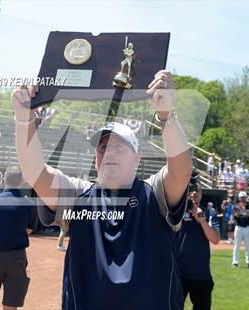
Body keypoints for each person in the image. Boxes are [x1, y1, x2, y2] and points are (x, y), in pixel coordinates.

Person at [12, 70, 192, 309]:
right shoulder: (78, 195)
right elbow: (34, 171)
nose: (108, 152)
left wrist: (167, 116)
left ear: (136, 158)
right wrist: (24, 119)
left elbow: (181, 171)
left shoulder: (154, 192)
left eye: (119, 146)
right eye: (102, 147)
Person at [0, 166, 36, 310]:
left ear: (5, 179)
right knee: (10, 305)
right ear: (22, 181)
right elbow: (29, 230)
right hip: (16, 258)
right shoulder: (29, 204)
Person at [176, 184, 220, 310]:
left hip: (201, 274)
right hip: (179, 274)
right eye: (190, 191)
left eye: (197, 191)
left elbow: (215, 239)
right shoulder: (176, 212)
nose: (193, 194)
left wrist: (202, 220)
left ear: (201, 195)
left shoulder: (209, 212)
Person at [232, 191, 249, 268]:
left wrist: (244, 211)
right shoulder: (236, 207)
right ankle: (235, 262)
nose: (242, 199)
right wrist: (238, 212)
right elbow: (235, 217)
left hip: (247, 227)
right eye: (241, 197)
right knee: (237, 246)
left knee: (248, 246)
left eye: (244, 197)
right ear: (239, 198)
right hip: (239, 227)